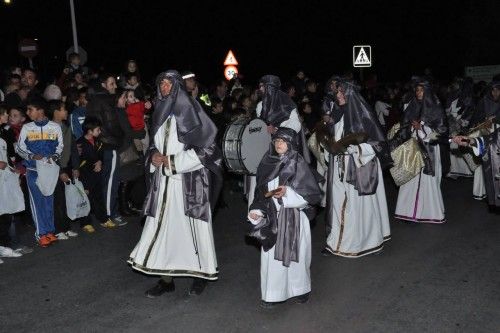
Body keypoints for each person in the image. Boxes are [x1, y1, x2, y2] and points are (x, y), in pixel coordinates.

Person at [128, 70, 223, 297]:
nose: (164, 87)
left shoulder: (194, 111)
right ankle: (166, 278)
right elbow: (153, 145)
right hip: (164, 183)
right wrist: (152, 156)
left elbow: (208, 149)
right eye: (161, 83)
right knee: (164, 229)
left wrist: (172, 161)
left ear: (178, 86)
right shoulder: (159, 114)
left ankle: (200, 275)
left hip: (189, 182)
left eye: (169, 83)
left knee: (193, 230)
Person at [248, 128, 321, 308]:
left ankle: (300, 289)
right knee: (272, 259)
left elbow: (310, 197)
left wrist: (287, 193)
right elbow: (260, 193)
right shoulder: (266, 163)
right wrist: (257, 210)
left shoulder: (298, 164)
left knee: (298, 257)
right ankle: (273, 294)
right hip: (273, 218)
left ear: (291, 143)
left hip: (294, 217)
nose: (279, 143)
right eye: (276, 140)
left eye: (283, 140)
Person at [322, 79, 392, 257]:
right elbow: (332, 138)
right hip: (339, 165)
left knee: (361, 206)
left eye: (341, 92)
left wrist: (356, 149)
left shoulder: (363, 114)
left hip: (360, 166)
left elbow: (378, 144)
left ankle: (370, 241)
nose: (338, 96)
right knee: (338, 204)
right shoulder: (336, 115)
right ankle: (335, 242)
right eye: (336, 93)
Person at [391, 80, 447, 224]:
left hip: (430, 149)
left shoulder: (436, 109)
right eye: (417, 90)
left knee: (427, 182)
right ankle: (408, 212)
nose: (418, 93)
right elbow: (405, 126)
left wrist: (421, 128)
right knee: (410, 178)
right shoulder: (412, 107)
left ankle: (429, 212)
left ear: (427, 91)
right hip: (414, 149)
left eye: (421, 90)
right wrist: (407, 130)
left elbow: (441, 131)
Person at [16, 96, 63, 247]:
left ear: (40, 110)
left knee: (48, 200)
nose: (28, 112)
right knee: (37, 202)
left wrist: (54, 156)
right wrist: (31, 156)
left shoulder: (55, 127)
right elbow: (20, 148)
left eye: (31, 109)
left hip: (49, 170)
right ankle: (41, 234)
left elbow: (60, 146)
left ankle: (50, 231)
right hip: (33, 169)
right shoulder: (27, 128)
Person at [86, 73, 125, 227]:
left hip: (100, 144)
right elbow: (111, 123)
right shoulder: (106, 100)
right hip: (109, 144)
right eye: (111, 84)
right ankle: (109, 214)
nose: (115, 86)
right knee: (110, 181)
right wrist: (121, 135)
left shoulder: (93, 100)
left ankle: (105, 212)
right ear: (103, 85)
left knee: (104, 180)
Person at [46, 100, 80, 240]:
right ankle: (58, 229)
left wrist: (76, 167)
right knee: (57, 200)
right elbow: (50, 153)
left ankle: (66, 228)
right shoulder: (49, 129)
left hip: (66, 166)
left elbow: (73, 149)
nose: (66, 112)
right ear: (56, 112)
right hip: (54, 169)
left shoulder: (66, 126)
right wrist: (60, 172)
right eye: (63, 109)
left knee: (66, 198)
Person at [77, 117, 113, 232]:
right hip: (85, 175)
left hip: (97, 175)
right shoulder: (79, 144)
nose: (100, 131)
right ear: (90, 131)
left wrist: (100, 161)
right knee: (85, 198)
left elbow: (101, 155)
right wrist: (94, 162)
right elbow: (79, 161)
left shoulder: (98, 141)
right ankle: (85, 223)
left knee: (99, 197)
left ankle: (103, 219)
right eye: (98, 130)